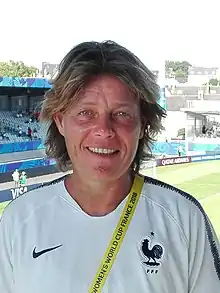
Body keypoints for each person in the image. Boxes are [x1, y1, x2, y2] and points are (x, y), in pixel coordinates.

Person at [0, 41, 219, 293]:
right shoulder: (18, 220)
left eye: (122, 114)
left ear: (143, 125)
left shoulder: (185, 218)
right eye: (86, 113)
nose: (104, 130)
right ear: (60, 122)